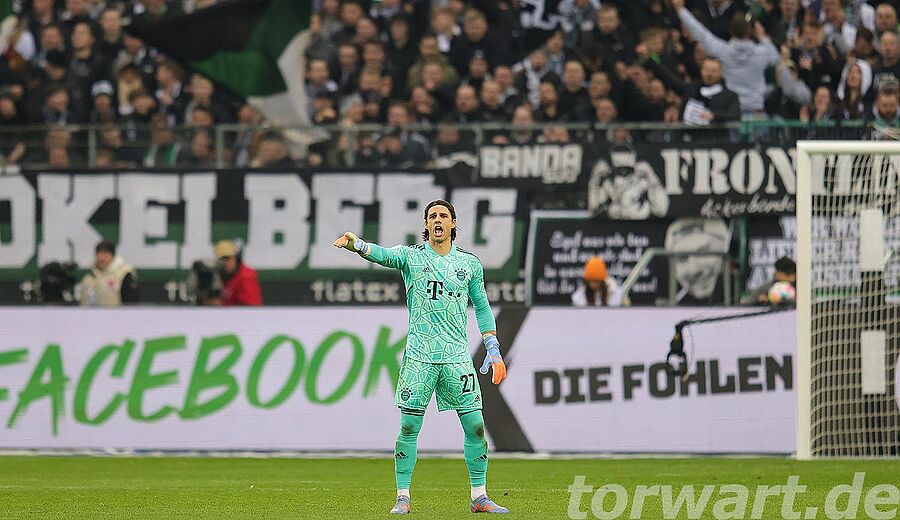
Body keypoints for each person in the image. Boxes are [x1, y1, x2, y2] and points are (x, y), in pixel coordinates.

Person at [332, 199, 509, 515]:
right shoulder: (412, 257)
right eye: (432, 216)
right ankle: (402, 496)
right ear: (426, 225)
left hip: (456, 357)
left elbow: (482, 306)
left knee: (476, 426)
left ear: (453, 223)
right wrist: (356, 244)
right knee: (409, 427)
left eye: (443, 216)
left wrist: (492, 348)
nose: (438, 220)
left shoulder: (469, 264)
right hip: (419, 357)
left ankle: (479, 496)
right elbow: (383, 255)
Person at [77, 240, 138, 306]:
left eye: (105, 254)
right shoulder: (88, 278)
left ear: (113, 256)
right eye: (99, 254)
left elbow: (131, 303)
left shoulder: (123, 274)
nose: (102, 258)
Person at [215, 240, 262, 306]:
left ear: (236, 258)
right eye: (221, 259)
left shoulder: (245, 277)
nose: (224, 262)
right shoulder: (220, 275)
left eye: (227, 258)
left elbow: (251, 307)